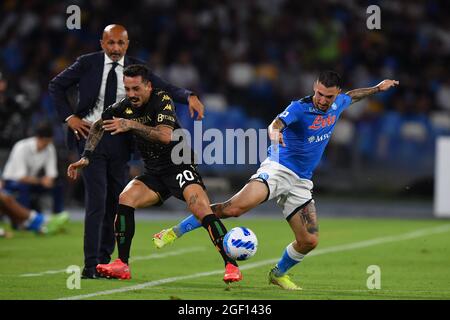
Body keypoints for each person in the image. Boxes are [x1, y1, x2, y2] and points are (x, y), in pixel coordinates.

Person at [152, 71, 399, 290]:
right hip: (278, 169)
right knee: (234, 208)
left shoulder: (337, 104)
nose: (323, 100)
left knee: (309, 240)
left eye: (329, 96)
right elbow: (276, 123)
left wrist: (377, 88)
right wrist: (275, 134)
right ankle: (173, 232)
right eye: (320, 94)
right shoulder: (300, 108)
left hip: (302, 181)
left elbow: (353, 96)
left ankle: (278, 274)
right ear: (314, 87)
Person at [49, 24, 205, 279]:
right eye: (110, 43)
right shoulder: (86, 63)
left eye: (120, 43)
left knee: (117, 201)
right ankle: (90, 266)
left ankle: (106, 260)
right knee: (96, 201)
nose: (115, 48)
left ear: (127, 44)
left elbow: (165, 87)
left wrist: (189, 96)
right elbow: (56, 85)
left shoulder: (136, 70)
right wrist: (70, 117)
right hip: (91, 136)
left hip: (121, 141)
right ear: (102, 43)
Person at [67, 64, 242, 283]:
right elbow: (99, 125)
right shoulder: (123, 106)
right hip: (154, 173)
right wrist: (87, 155)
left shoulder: (162, 100)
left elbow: (165, 136)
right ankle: (122, 264)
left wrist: (130, 124)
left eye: (136, 89)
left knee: (201, 209)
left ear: (148, 86)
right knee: (125, 198)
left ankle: (231, 265)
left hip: (180, 166)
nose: (131, 94)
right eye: (128, 89)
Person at [2, 122, 65, 216]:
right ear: (38, 138)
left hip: (33, 181)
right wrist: (41, 181)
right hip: (11, 181)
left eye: (49, 141)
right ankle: (26, 219)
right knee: (24, 186)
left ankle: (57, 216)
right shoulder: (21, 147)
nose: (47, 144)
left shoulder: (49, 147)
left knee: (58, 186)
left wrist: (49, 180)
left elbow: (51, 173)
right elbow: (21, 177)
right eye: (46, 141)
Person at [0, 181, 69, 237]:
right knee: (5, 198)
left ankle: (34, 225)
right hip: (11, 181)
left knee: (5, 199)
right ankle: (41, 221)